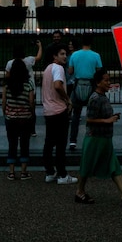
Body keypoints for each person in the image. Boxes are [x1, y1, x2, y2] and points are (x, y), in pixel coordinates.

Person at [74, 68, 122, 206]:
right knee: (87, 165)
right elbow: (89, 119)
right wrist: (107, 120)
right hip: (95, 138)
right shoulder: (95, 98)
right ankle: (79, 192)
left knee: (114, 166)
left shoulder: (102, 97)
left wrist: (112, 117)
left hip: (104, 138)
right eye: (106, 80)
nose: (109, 83)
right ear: (98, 83)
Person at [41, 43, 78, 185]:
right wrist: (67, 99)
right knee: (61, 144)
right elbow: (57, 85)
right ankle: (62, 174)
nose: (65, 57)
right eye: (62, 54)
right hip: (59, 110)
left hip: (48, 110)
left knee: (49, 142)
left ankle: (50, 172)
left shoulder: (48, 69)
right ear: (54, 56)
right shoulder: (58, 68)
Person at [1, 52, 35, 180]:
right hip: (25, 117)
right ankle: (23, 171)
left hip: (11, 117)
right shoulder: (28, 84)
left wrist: (5, 112)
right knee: (25, 143)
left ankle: (11, 171)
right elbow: (31, 101)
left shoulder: (7, 85)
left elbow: (4, 101)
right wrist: (31, 112)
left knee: (12, 143)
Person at [67, 33, 103, 151]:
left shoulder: (74, 55)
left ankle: (73, 141)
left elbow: (70, 71)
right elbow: (99, 71)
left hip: (78, 84)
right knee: (93, 114)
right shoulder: (96, 55)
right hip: (91, 84)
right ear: (91, 42)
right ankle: (93, 138)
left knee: (76, 115)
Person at [5, 41, 42, 137]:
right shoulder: (29, 60)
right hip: (29, 88)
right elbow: (38, 57)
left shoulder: (10, 63)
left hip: (14, 88)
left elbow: (7, 76)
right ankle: (32, 130)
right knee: (31, 108)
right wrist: (40, 47)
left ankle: (17, 130)